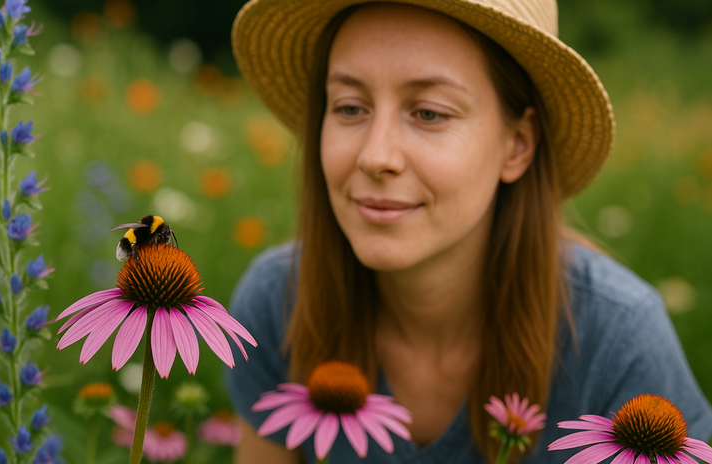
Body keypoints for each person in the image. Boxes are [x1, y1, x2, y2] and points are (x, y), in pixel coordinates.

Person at [225, 0, 712, 462]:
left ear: (517, 146)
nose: (376, 156)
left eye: (429, 113)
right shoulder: (277, 304)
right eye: (350, 107)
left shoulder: (618, 343)